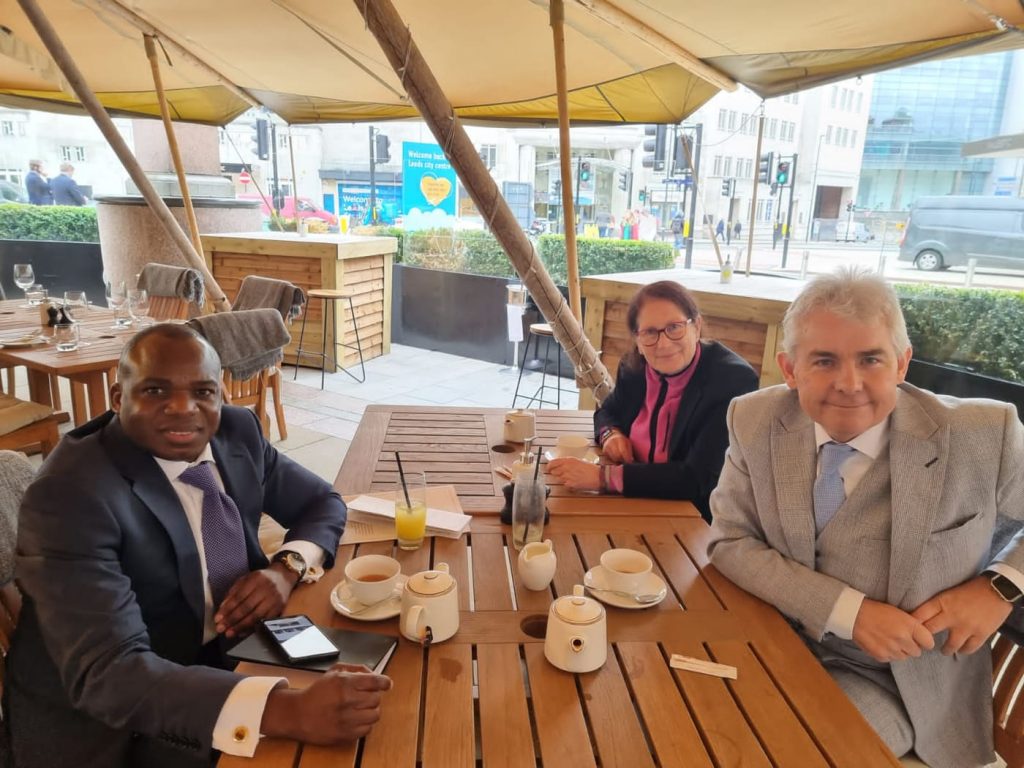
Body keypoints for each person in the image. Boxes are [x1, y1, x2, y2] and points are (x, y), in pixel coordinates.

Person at [7, 325, 391, 767]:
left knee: (386, 680)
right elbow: (110, 673)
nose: (183, 408)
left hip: (235, 651)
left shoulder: (236, 432)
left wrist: (285, 568)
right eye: (155, 390)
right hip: (118, 721)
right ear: (117, 398)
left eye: (202, 391)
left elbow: (322, 502)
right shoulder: (71, 495)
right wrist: (288, 710)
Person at [707, 268, 1024, 768]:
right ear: (790, 369)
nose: (849, 384)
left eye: (870, 359)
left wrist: (1001, 586)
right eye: (824, 361)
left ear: (902, 363)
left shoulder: (982, 432)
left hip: (900, 681)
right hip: (769, 638)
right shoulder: (754, 419)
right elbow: (729, 541)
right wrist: (848, 612)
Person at [548, 281, 758, 521]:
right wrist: (610, 434)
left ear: (696, 327)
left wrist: (603, 477)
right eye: (649, 332)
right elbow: (607, 411)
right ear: (637, 340)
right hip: (631, 501)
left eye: (675, 327)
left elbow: (696, 478)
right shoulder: (634, 368)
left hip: (698, 518)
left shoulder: (732, 381)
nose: (664, 343)